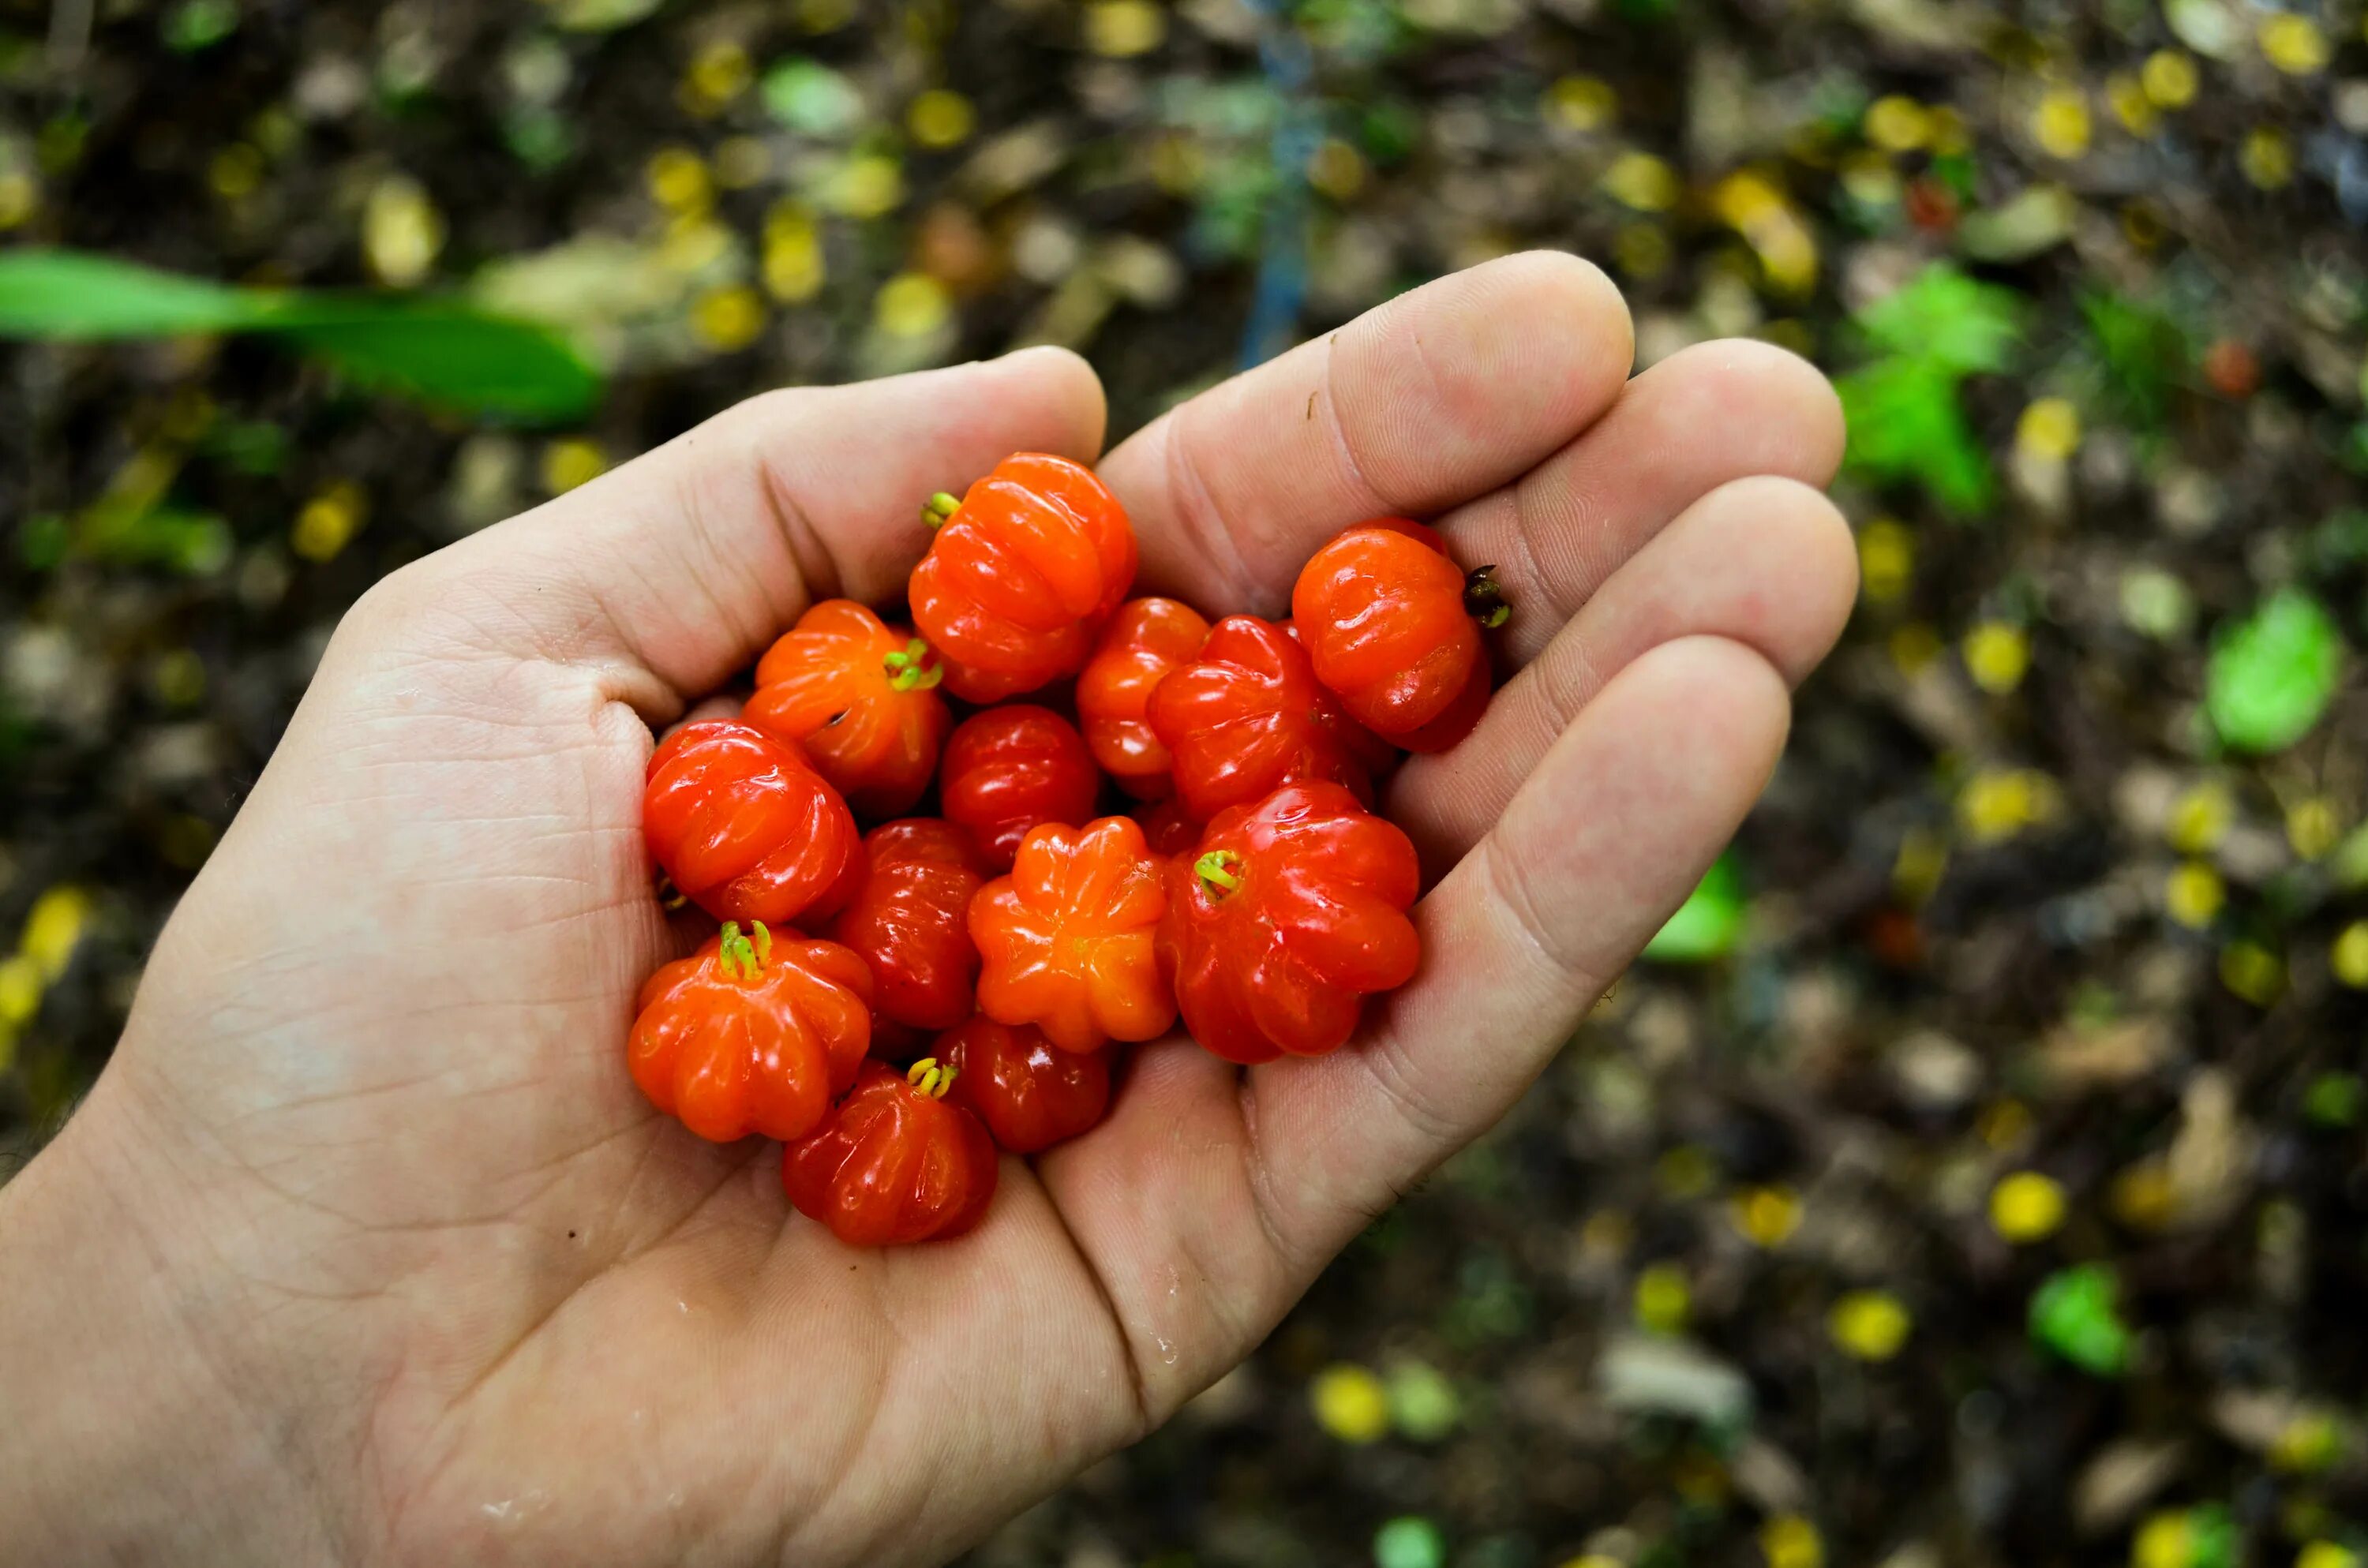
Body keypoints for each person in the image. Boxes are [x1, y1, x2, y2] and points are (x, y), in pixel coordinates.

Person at [0, 253, 1853, 1565]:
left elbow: (1120, 849)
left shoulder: (1159, 768)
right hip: (996, 932)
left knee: (1085, 913)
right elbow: (976, 868)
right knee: (1050, 913)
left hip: (1099, 898)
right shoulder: (873, 855)